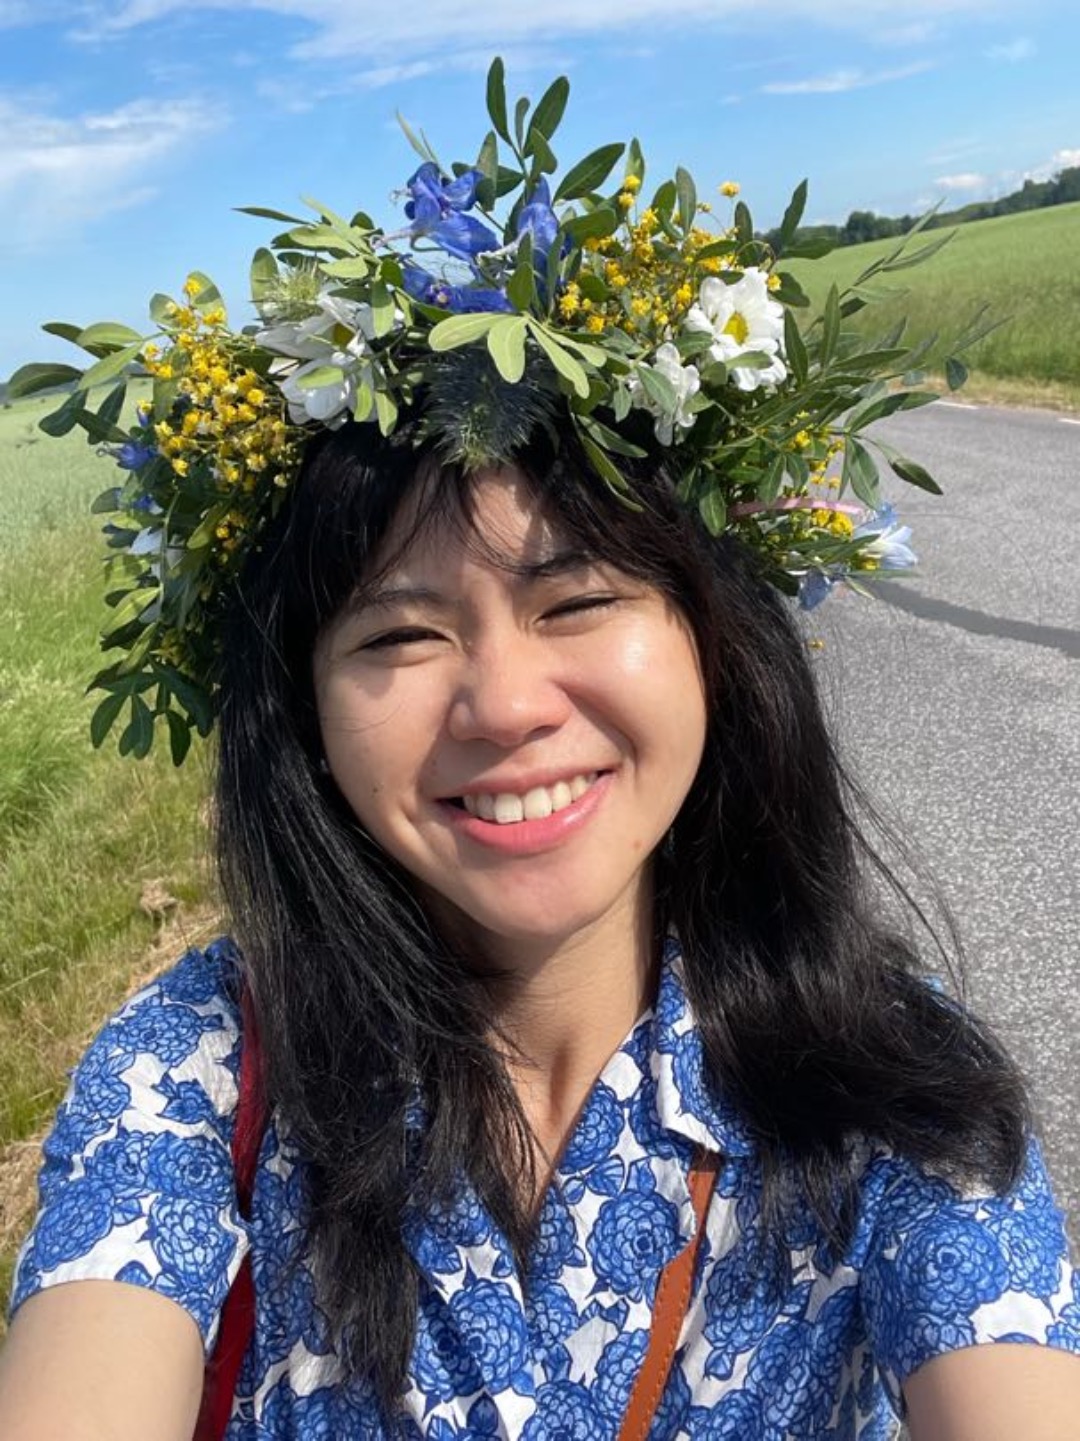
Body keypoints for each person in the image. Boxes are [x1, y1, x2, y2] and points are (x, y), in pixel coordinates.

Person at [1, 62, 1078, 1441]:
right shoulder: (202, 1075)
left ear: (714, 640)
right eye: (400, 634)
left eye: (576, 601)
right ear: (303, 709)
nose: (504, 705)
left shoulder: (878, 1075)